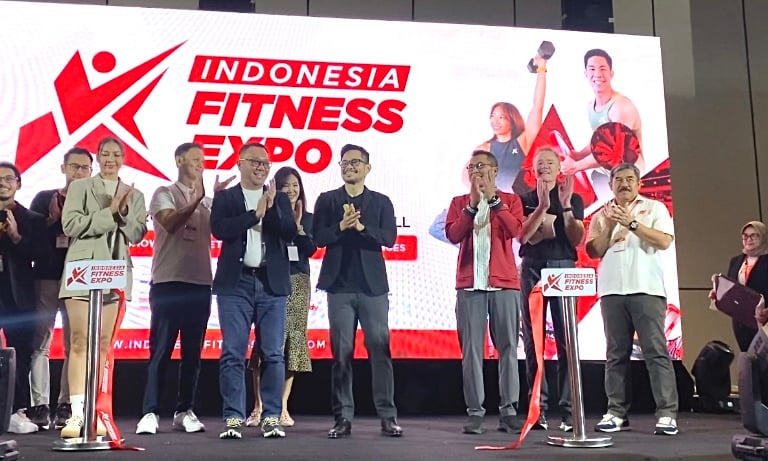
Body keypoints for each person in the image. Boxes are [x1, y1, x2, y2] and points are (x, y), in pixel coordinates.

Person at [136, 143, 233, 435]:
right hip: (168, 282)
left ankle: (184, 410)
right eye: (194, 159)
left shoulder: (208, 201)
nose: (200, 164)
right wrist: (197, 199)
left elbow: (223, 230)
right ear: (179, 160)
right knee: (161, 350)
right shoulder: (164, 193)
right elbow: (170, 222)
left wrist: (219, 200)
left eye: (203, 160)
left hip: (200, 283)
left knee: (193, 353)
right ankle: (150, 412)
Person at [58, 137, 147, 438]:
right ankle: (76, 414)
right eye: (105, 153)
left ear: (123, 159)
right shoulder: (80, 187)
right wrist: (109, 213)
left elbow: (136, 233)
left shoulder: (134, 194)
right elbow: (71, 225)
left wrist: (122, 212)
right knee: (79, 341)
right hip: (82, 270)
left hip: (116, 271)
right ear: (97, 157)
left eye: (116, 154)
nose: (110, 158)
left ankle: (96, 411)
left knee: (104, 345)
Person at [312, 144, 402, 439]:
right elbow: (317, 237)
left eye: (355, 162)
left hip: (373, 287)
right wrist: (341, 226)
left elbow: (389, 238)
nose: (349, 167)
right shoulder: (328, 200)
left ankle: (388, 416)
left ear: (367, 168)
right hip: (339, 287)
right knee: (341, 354)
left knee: (380, 349)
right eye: (345, 162)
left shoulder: (381, 202)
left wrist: (362, 228)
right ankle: (343, 417)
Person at [211, 143, 296, 440]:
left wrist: (269, 210)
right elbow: (220, 230)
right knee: (233, 353)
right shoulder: (226, 197)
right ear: (240, 163)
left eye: (265, 163)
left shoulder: (278, 198)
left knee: (273, 354)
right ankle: (233, 418)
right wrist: (253, 214)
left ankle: (271, 417)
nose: (261, 167)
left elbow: (288, 231)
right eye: (255, 161)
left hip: (272, 285)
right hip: (236, 285)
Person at [585, 162, 678, 436]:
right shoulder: (602, 214)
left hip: (646, 289)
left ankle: (667, 413)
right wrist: (611, 224)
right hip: (611, 291)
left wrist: (632, 223)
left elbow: (664, 241)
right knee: (615, 354)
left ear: (639, 184)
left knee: (655, 352)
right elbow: (594, 251)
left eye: (629, 179)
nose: (624, 184)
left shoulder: (654, 208)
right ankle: (615, 413)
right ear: (611, 185)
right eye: (619, 180)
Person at [444, 150, 524, 435]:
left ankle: (509, 411)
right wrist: (472, 205)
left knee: (508, 349)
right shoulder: (458, 203)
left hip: (504, 285)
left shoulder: (511, 201)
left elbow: (516, 230)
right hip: (470, 286)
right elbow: (453, 234)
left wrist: (494, 201)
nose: (476, 171)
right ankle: (475, 412)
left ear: (495, 170)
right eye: (472, 167)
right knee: (471, 352)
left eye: (482, 166)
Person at [517, 147, 585, 432]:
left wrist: (565, 207)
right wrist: (542, 207)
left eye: (550, 163)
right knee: (533, 341)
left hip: (563, 267)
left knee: (567, 339)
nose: (544, 167)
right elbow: (522, 236)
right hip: (532, 267)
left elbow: (577, 239)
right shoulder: (524, 199)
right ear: (532, 170)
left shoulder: (573, 197)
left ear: (559, 169)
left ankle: (570, 411)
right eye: (539, 163)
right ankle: (538, 409)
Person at [28, 148, 93, 430]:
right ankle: (39, 405)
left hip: (79, 278)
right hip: (46, 277)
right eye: (74, 166)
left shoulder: (94, 201)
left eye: (84, 167)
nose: (79, 172)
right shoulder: (45, 198)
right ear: (63, 168)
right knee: (40, 342)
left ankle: (67, 403)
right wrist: (52, 221)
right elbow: (30, 239)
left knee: (75, 344)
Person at [246, 166, 315, 429]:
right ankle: (259, 406)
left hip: (298, 280)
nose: (291, 190)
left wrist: (298, 228)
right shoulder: (270, 213)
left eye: (295, 185)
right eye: (285, 186)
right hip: (271, 280)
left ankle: (282, 405)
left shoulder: (308, 217)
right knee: (267, 342)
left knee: (293, 342)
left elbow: (311, 248)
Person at [0, 161, 47, 434]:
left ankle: (15, 410)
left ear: (18, 184)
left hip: (19, 295)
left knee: (21, 353)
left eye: (8, 178)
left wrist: (16, 236)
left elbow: (40, 257)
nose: (3, 183)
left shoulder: (32, 219)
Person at [561, 49, 644, 176]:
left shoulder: (621, 106)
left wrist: (577, 166)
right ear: (586, 74)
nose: (598, 74)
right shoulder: (591, 106)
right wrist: (580, 155)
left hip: (629, 176)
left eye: (602, 69)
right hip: (606, 173)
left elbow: (613, 150)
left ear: (611, 73)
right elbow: (599, 140)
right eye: (592, 69)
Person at [476, 52, 549, 192]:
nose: (495, 121)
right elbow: (467, 176)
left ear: (512, 120)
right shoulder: (484, 149)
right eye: (493, 116)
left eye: (501, 117)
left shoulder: (522, 142)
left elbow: (538, 106)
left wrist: (541, 68)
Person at [709, 221, 768, 352]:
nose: (748, 239)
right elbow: (732, 288)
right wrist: (717, 293)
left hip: (764, 320)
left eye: (754, 235)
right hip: (741, 321)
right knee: (747, 357)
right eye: (745, 236)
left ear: (763, 236)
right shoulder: (736, 261)